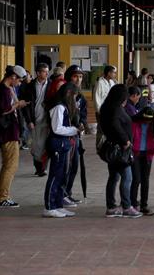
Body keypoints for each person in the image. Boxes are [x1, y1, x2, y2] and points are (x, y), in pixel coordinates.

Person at [99, 84, 142, 218]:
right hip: (120, 148)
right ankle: (127, 206)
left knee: (113, 177)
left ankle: (111, 206)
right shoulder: (116, 110)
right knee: (127, 177)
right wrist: (125, 141)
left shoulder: (107, 107)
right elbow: (116, 126)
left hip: (112, 147)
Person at [43, 82, 85, 218]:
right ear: (68, 94)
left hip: (64, 143)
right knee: (55, 175)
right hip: (57, 143)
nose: (74, 100)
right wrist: (74, 130)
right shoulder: (58, 107)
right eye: (73, 96)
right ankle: (50, 206)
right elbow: (57, 128)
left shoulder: (64, 107)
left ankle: (58, 204)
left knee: (62, 175)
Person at [0, 66, 29, 208]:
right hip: (8, 132)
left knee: (8, 165)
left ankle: (2, 196)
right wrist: (17, 104)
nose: (19, 83)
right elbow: (4, 110)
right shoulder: (4, 90)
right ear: (13, 77)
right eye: (19, 80)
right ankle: (2, 198)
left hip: (10, 131)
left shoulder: (6, 89)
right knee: (10, 165)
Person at [130, 107, 154, 216]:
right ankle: (133, 204)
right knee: (136, 179)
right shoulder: (134, 123)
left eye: (149, 120)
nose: (147, 122)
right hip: (135, 154)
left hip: (148, 154)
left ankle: (144, 205)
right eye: (145, 120)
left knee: (145, 179)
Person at [62, 65, 87, 206]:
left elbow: (83, 114)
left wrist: (82, 123)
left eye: (81, 76)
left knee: (74, 165)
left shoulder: (81, 97)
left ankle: (68, 192)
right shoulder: (64, 94)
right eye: (75, 76)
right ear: (69, 77)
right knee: (65, 166)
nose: (78, 79)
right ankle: (62, 193)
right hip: (64, 135)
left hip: (76, 136)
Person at [23, 62, 50, 177]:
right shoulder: (29, 86)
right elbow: (26, 106)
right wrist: (29, 121)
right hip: (35, 120)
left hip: (47, 120)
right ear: (38, 73)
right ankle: (38, 167)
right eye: (44, 71)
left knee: (46, 145)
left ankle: (42, 168)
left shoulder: (51, 85)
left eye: (47, 71)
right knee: (36, 146)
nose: (47, 73)